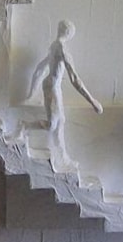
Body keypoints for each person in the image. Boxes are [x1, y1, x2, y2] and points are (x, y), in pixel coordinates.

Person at [22, 20, 103, 170]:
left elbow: (40, 69)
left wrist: (32, 91)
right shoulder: (62, 49)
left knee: (60, 122)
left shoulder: (54, 46)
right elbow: (75, 79)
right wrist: (92, 101)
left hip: (52, 86)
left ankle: (63, 157)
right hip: (52, 87)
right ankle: (24, 126)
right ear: (69, 33)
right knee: (53, 125)